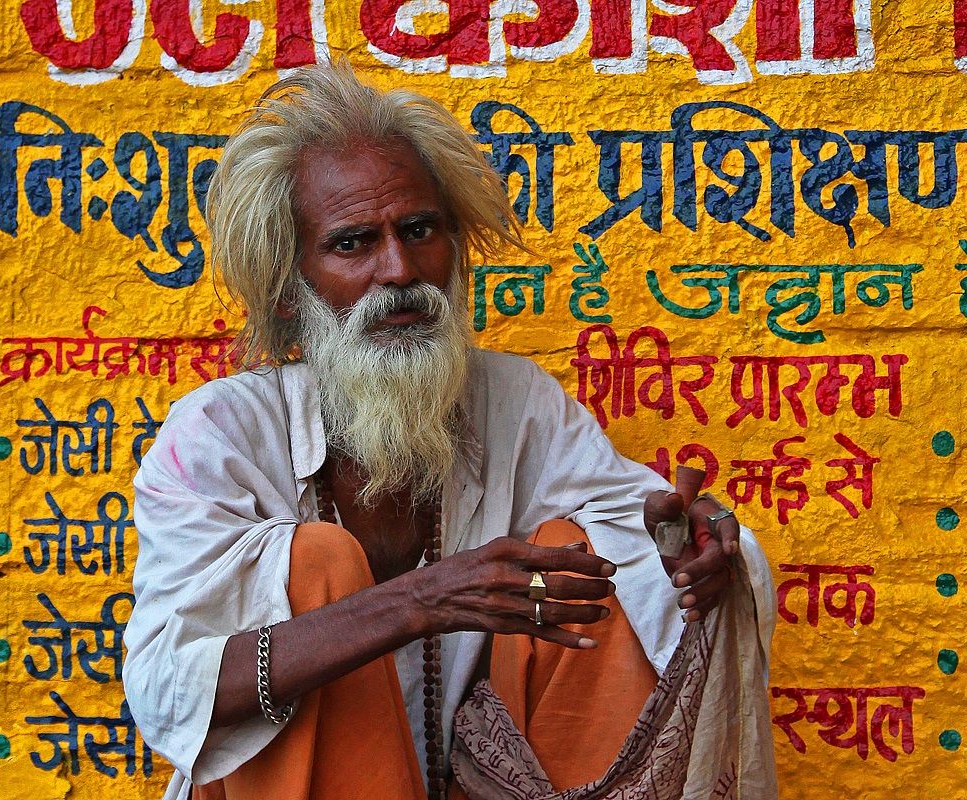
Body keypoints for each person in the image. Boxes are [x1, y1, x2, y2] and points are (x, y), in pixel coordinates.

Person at [124, 60, 776, 800]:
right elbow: (166, 691)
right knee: (315, 563)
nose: (399, 269)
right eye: (352, 243)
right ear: (286, 293)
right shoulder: (217, 437)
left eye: (420, 230)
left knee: (595, 556)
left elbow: (650, 541)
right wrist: (419, 601)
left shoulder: (516, 401)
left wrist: (686, 550)